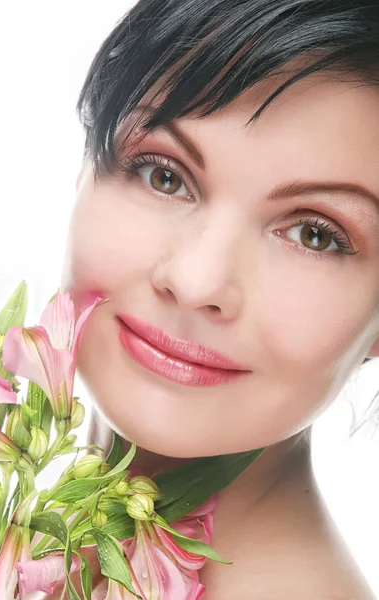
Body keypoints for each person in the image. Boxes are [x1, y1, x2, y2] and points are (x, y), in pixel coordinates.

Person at [47, 0, 379, 597]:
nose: (196, 281)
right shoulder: (57, 539)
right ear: (84, 169)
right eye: (164, 175)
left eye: (314, 234)